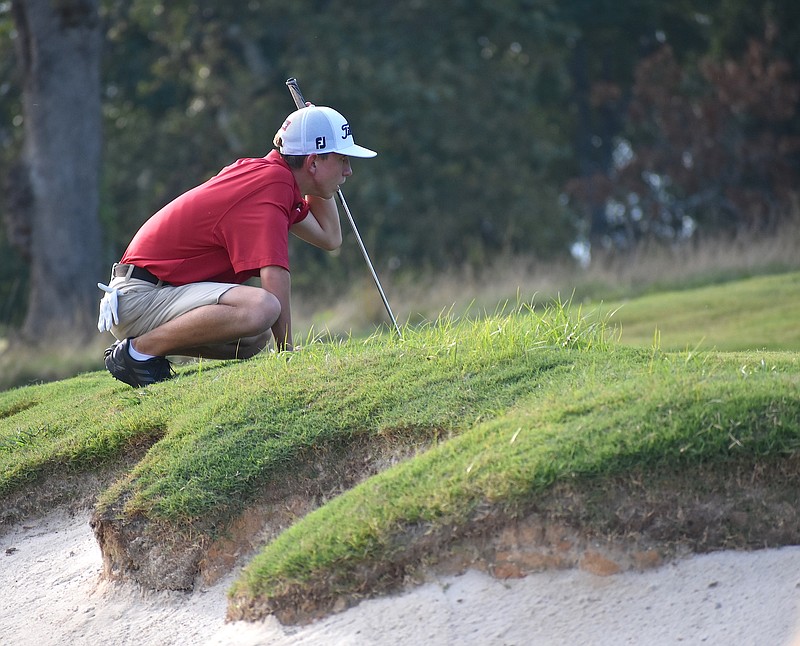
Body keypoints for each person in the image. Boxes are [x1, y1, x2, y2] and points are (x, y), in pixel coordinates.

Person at [97, 105, 377, 387]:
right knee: (264, 308)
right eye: (342, 160)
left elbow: (330, 238)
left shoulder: (275, 179)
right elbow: (274, 275)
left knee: (253, 339)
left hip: (150, 295)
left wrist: (317, 180)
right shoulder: (271, 184)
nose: (349, 170)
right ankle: (138, 354)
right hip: (140, 296)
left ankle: (145, 350)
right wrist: (287, 352)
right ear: (313, 162)